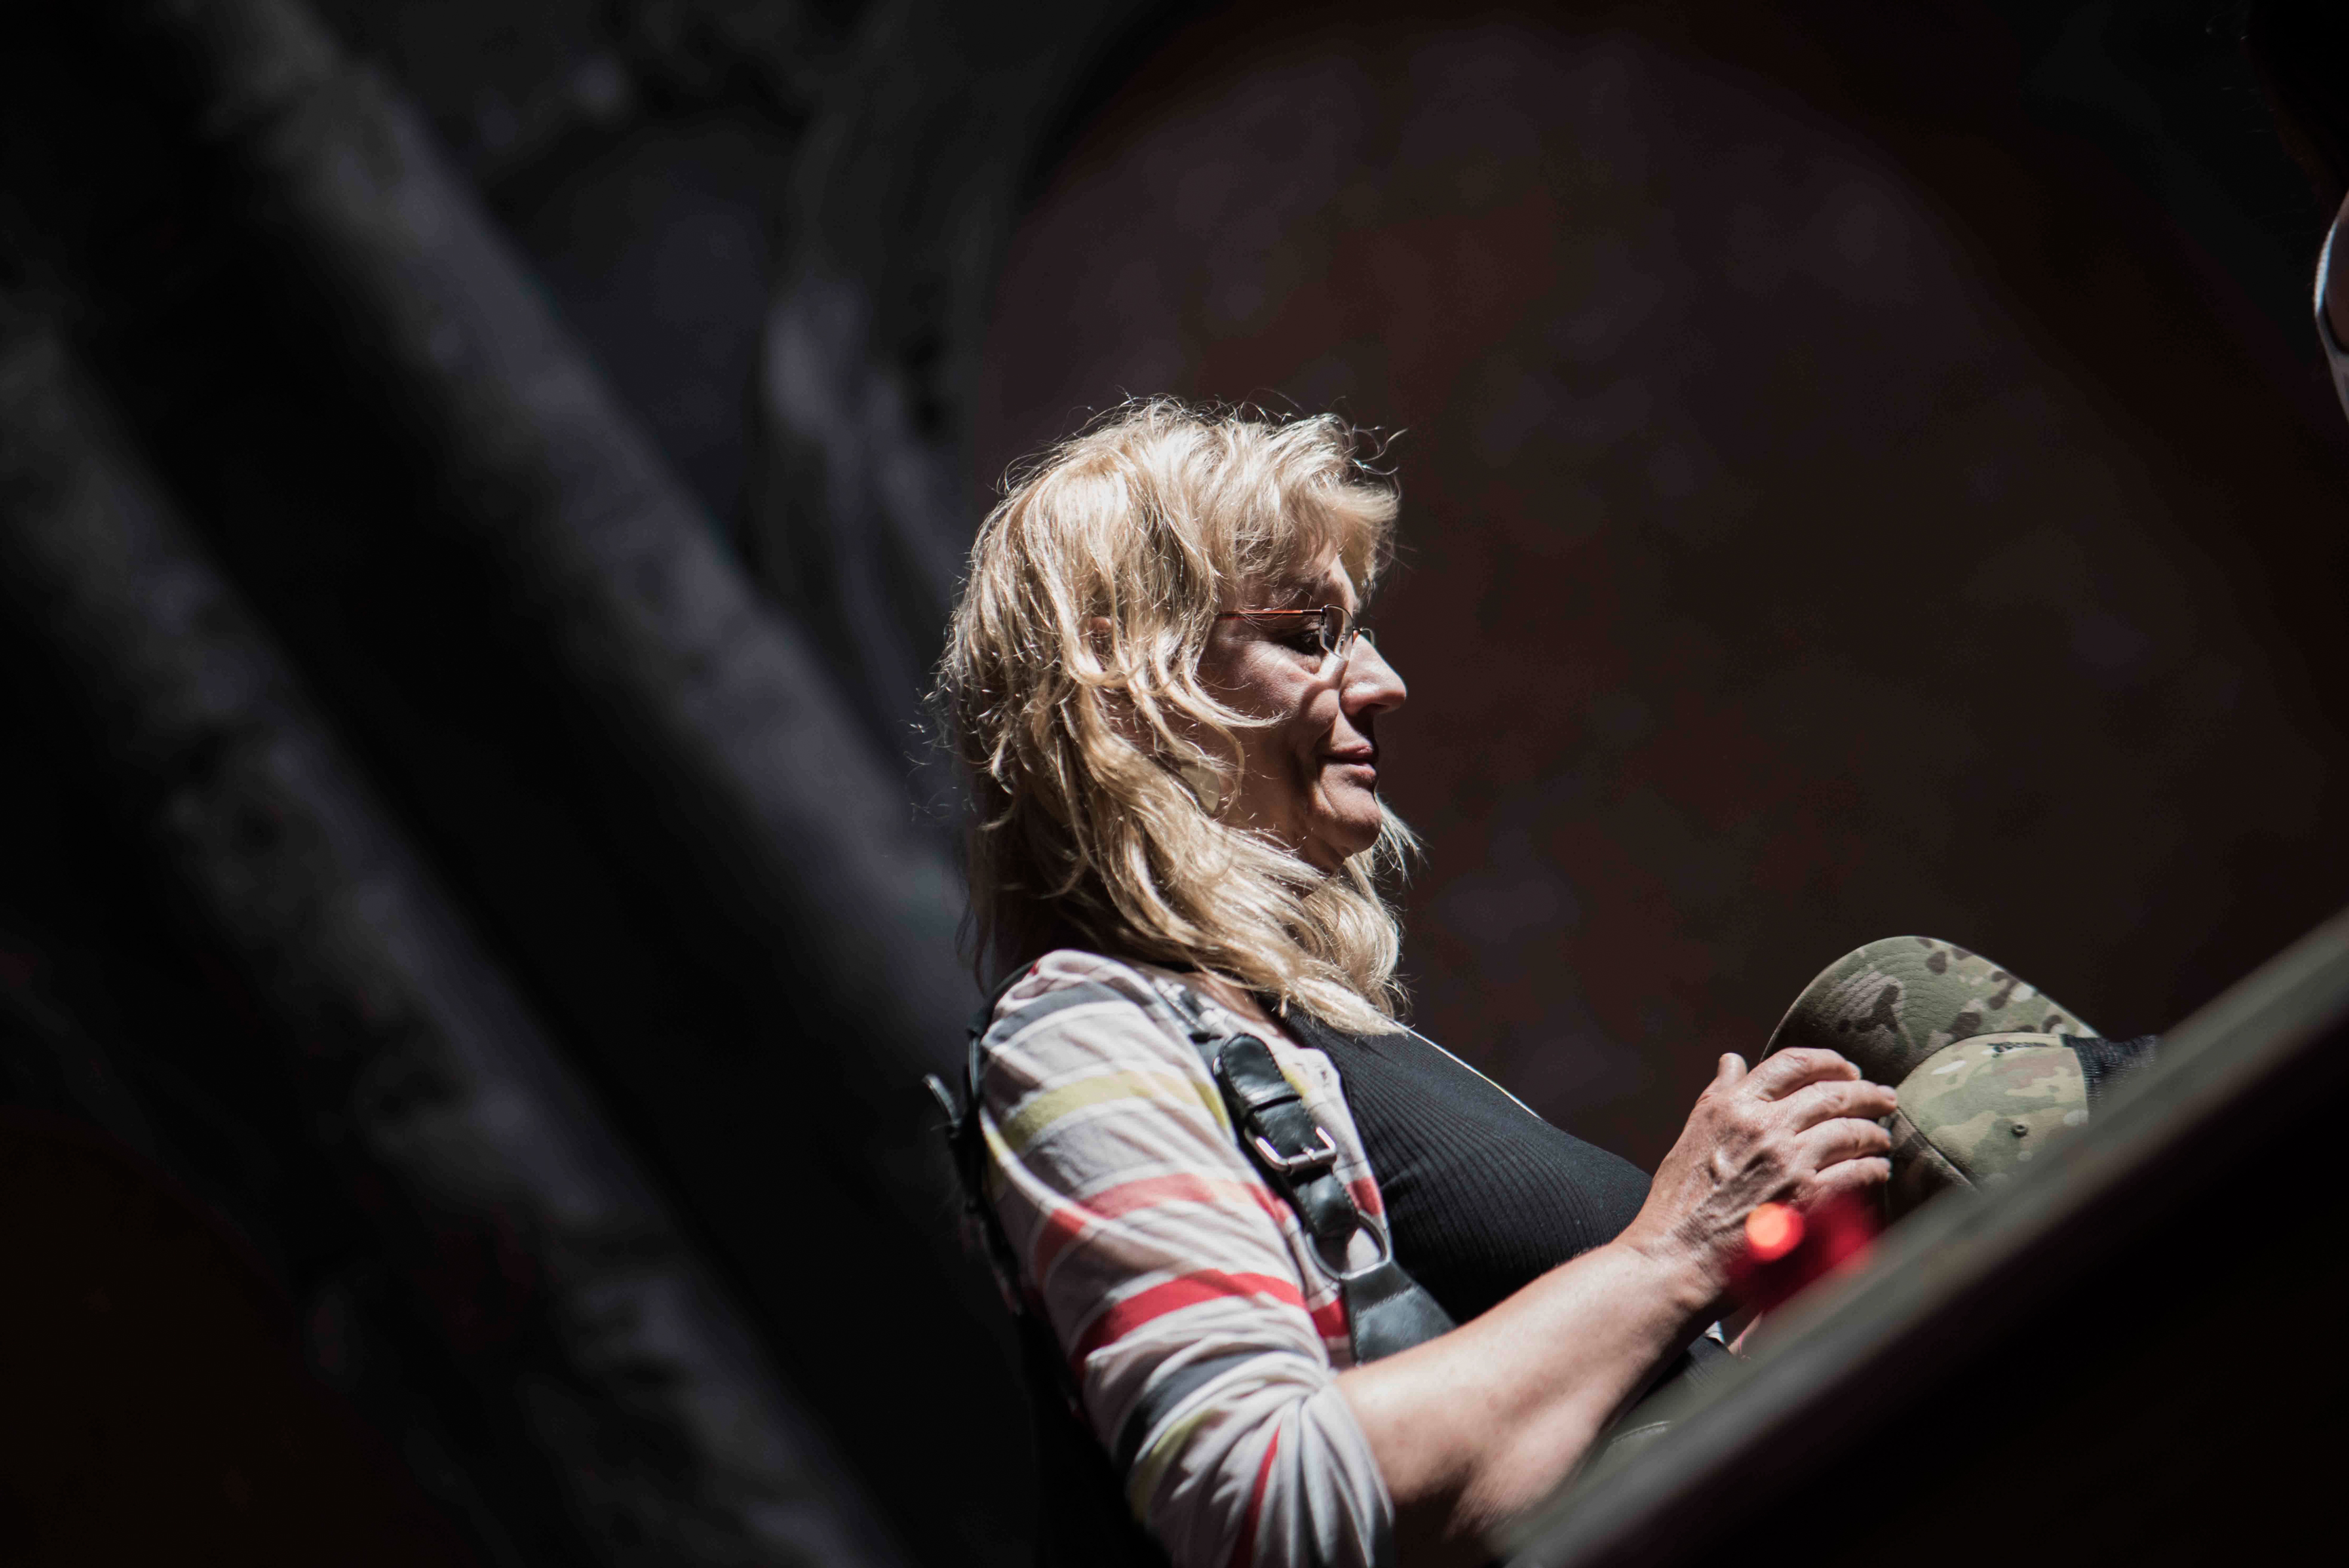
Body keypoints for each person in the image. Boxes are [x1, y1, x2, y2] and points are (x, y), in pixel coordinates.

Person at [934, 401, 2142, 1568]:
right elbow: (1265, 1504)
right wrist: (1676, 1248)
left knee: (1890, 1001)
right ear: (1130, 682)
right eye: (1309, 634)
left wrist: (1760, 1306)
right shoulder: (1081, 1029)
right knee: (1983, 1104)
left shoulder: (1293, 1030)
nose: (1383, 682)